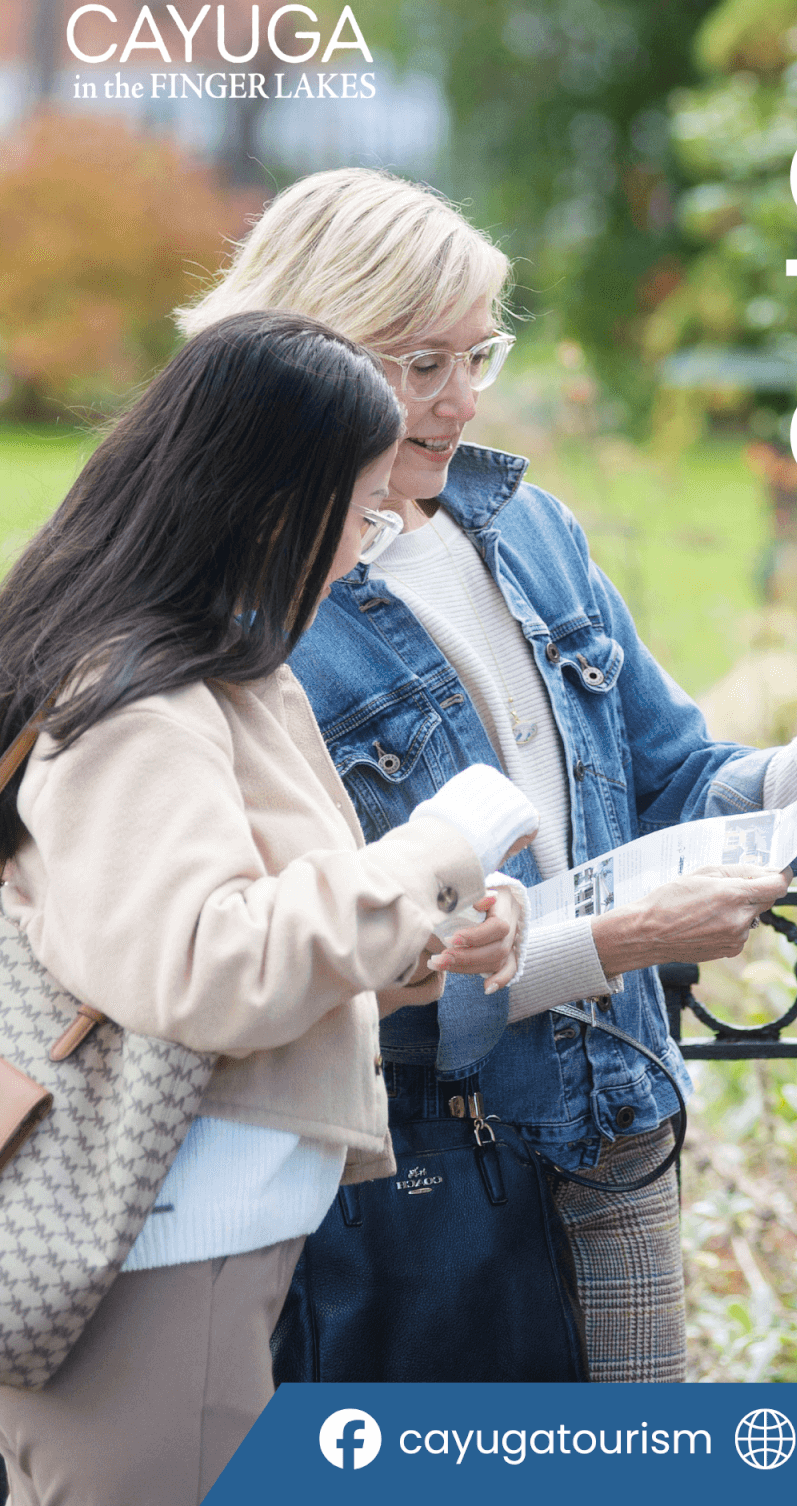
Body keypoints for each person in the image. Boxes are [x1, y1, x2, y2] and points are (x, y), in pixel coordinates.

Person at [176, 170, 797, 1383]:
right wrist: (617, 944)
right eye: (422, 363)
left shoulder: (530, 533)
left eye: (480, 354)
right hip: (411, 1180)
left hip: (614, 1123)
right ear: (307, 351)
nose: (462, 397)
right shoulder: (257, 610)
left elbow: (671, 781)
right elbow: (312, 963)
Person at [0, 312, 533, 1504]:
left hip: (176, 1254)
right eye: (360, 508)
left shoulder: (213, 677)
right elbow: (205, 967)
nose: (362, 547)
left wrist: (430, 935)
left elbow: (251, 927)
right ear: (273, 507)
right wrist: (441, 845)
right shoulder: (139, 703)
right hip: (154, 1263)